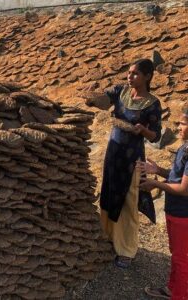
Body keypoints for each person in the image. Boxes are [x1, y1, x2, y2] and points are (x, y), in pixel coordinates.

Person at [82, 58, 162, 268]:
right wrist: (90, 96)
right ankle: (108, 239)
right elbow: (101, 102)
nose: (130, 76)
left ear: (147, 76)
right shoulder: (120, 91)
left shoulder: (152, 103)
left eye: (135, 73)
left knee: (128, 200)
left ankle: (126, 249)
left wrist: (143, 130)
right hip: (114, 152)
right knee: (109, 193)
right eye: (129, 72)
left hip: (132, 158)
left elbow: (156, 136)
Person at [139, 109, 188, 300]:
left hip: (183, 215)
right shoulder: (185, 148)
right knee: (176, 254)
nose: (178, 127)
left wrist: (154, 184)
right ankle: (172, 289)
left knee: (181, 259)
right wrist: (157, 170)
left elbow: (184, 189)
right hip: (174, 211)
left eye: (183, 123)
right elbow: (176, 176)